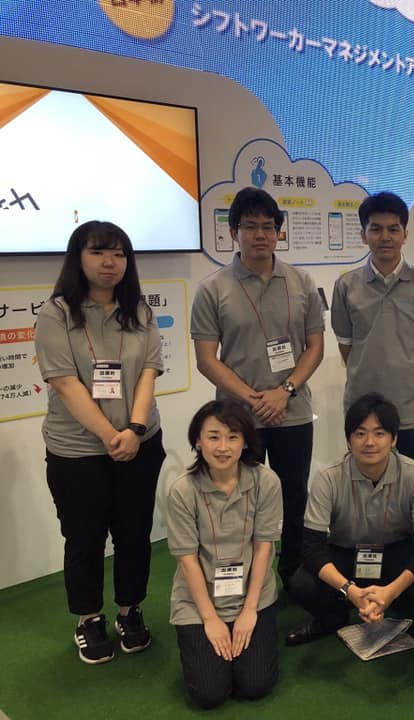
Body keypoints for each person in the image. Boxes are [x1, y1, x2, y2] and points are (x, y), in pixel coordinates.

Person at [35, 220, 166, 665]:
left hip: (140, 442)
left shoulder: (139, 310)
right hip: (77, 451)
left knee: (134, 533)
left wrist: (135, 430)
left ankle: (130, 610)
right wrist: (111, 436)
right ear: (78, 258)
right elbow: (64, 382)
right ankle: (88, 618)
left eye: (119, 253)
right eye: (98, 252)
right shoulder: (56, 313)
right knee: (84, 538)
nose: (110, 262)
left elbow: (148, 371)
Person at [191, 187, 325, 589]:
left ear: (279, 232)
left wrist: (284, 390)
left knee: (294, 496)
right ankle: (248, 579)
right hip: (238, 419)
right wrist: (253, 398)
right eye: (250, 226)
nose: (260, 235)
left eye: (268, 226)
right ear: (234, 232)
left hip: (292, 411)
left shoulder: (301, 282)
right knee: (239, 499)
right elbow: (206, 359)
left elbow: (315, 347)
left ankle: (294, 576)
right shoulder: (213, 288)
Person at [285, 392, 414, 646]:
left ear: (394, 438)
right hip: (346, 554)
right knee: (302, 583)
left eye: (379, 433)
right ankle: (333, 618)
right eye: (360, 433)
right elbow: (312, 548)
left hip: (395, 553)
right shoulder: (328, 478)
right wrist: (351, 591)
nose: (370, 442)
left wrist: (391, 591)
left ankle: (407, 613)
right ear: (348, 440)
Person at [166, 400, 281, 709]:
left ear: (245, 442)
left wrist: (249, 610)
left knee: (255, 685)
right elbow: (187, 559)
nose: (223, 447)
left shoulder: (266, 481)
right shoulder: (182, 490)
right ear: (197, 441)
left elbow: (264, 547)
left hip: (252, 595)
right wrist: (211, 619)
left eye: (233, 436)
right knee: (209, 694)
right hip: (199, 601)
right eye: (213, 436)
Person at [331, 191, 414, 475]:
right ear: (363, 234)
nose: (385, 237)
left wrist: (410, 372)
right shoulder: (346, 286)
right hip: (363, 409)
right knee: (365, 487)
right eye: (376, 229)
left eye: (393, 229)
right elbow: (346, 345)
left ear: (405, 234)